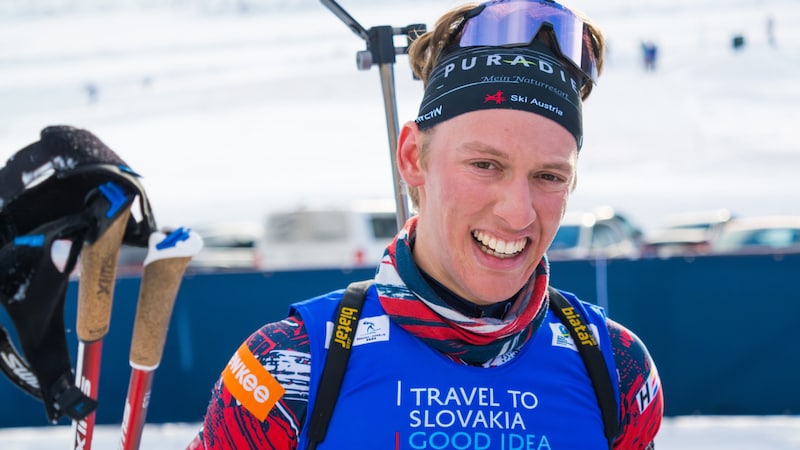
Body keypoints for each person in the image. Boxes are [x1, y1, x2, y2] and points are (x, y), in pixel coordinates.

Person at [188, 0, 664, 448]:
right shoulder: (289, 366)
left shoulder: (616, 369)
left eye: (548, 176)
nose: (518, 213)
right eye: (485, 165)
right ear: (414, 157)